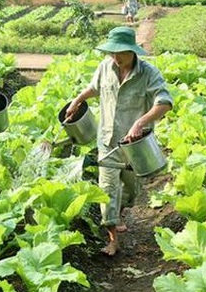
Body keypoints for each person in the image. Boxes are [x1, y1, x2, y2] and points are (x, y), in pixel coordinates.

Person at [65, 26, 172, 256]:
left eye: (120, 52)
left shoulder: (148, 74)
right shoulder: (105, 67)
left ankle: (119, 210)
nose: (115, 57)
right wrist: (77, 100)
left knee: (133, 190)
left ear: (132, 51)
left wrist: (140, 122)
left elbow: (164, 102)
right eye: (112, 52)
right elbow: (94, 88)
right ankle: (113, 239)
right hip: (107, 140)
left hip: (134, 146)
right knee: (107, 187)